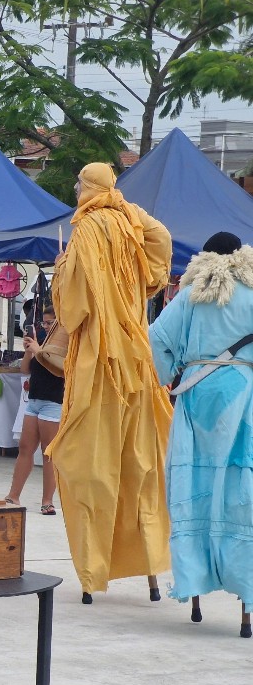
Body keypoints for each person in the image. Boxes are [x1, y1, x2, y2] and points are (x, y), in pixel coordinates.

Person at [47, 162, 173, 605]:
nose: (75, 189)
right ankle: (149, 568)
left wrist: (61, 271)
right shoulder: (130, 220)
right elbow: (162, 241)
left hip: (100, 364)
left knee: (90, 465)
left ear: (89, 187)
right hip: (138, 364)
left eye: (79, 183)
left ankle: (92, 571)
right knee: (140, 462)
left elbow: (75, 309)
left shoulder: (86, 229)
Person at [148, 231, 253, 623]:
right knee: (240, 486)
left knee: (193, 484)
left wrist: (171, 372)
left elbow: (156, 336)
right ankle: (246, 608)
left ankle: (195, 596)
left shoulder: (192, 292)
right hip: (243, 394)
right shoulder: (251, 291)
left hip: (197, 393)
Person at [4, 305, 64, 514]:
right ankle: (13, 495)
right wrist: (30, 351)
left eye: (50, 323)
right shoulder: (42, 340)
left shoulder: (64, 342)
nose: (45, 326)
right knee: (25, 447)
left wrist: (38, 350)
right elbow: (24, 370)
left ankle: (47, 501)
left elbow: (62, 370)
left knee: (48, 453)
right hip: (35, 399)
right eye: (43, 322)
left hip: (53, 400)